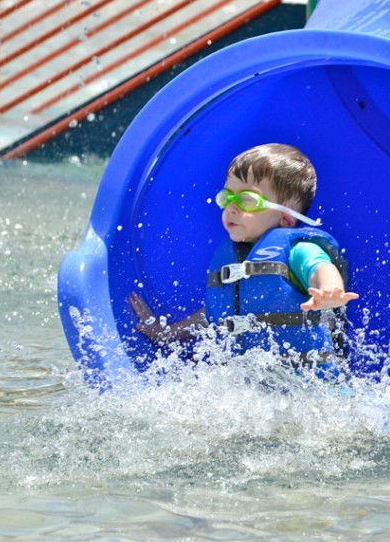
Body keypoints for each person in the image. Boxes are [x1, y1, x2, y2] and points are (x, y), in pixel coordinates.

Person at [128, 143, 358, 372]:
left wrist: (330, 291)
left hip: (313, 389)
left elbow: (319, 267)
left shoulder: (297, 248)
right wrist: (168, 334)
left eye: (248, 200)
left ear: (287, 218)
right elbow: (216, 313)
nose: (232, 207)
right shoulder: (233, 258)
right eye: (227, 197)